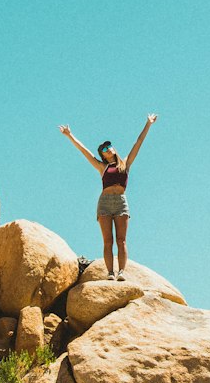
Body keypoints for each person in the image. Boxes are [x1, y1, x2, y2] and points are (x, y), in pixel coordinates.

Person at [58, 115, 158, 279]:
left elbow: (138, 143)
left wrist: (148, 124)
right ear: (103, 156)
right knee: (108, 241)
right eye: (104, 150)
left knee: (121, 240)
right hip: (104, 203)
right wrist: (70, 135)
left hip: (120, 202)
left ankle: (121, 272)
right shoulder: (102, 167)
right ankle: (110, 273)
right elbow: (85, 152)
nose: (108, 149)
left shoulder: (125, 163)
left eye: (109, 146)